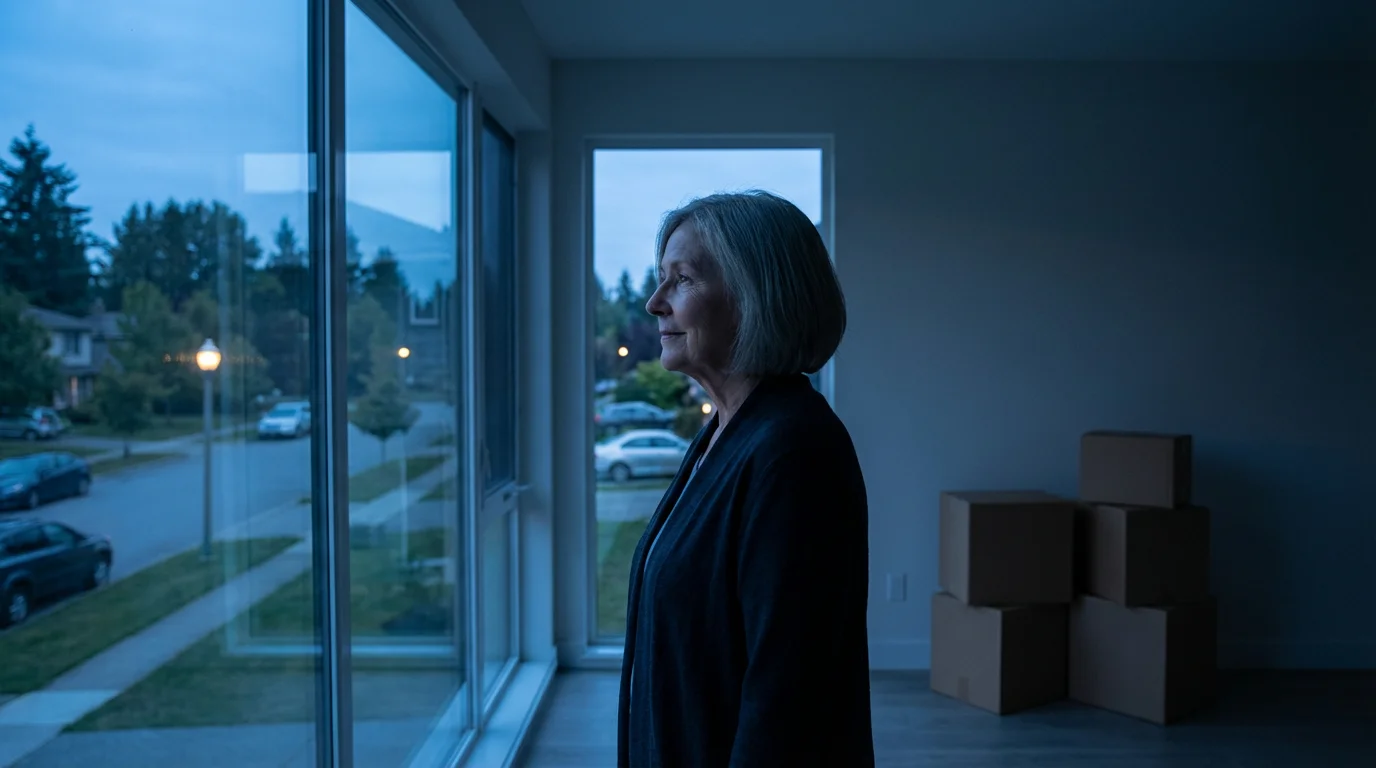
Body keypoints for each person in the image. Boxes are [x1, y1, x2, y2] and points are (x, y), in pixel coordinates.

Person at [617, 190, 874, 767]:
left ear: (756, 295)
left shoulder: (793, 450)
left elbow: (789, 700)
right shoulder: (726, 434)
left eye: (681, 280)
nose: (656, 302)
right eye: (662, 279)